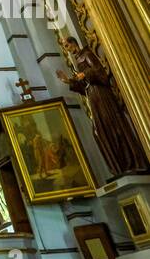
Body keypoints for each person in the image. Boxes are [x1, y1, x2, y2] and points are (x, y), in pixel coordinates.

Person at [58, 37, 148, 177]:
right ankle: (119, 166)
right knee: (98, 132)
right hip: (93, 97)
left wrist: (85, 74)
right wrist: (68, 81)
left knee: (112, 126)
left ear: (74, 43)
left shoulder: (87, 55)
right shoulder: (77, 60)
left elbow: (101, 73)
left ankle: (132, 162)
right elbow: (84, 87)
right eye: (64, 46)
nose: (66, 48)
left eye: (67, 45)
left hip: (101, 95)